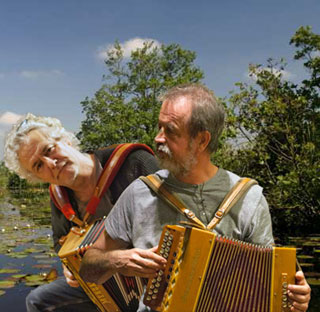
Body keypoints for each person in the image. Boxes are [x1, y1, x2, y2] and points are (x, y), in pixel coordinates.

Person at [79, 83, 311, 312]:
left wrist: (294, 300)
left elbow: (270, 288)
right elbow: (88, 268)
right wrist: (117, 260)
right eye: (159, 128)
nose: (158, 138)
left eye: (170, 130)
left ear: (202, 140)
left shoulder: (248, 197)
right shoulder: (140, 192)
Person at [4, 113, 159, 312]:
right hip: (106, 281)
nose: (51, 164)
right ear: (36, 177)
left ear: (65, 138)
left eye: (49, 150)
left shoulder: (133, 162)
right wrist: (70, 266)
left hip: (157, 272)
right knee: (38, 301)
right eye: (38, 165)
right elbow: (60, 241)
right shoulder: (59, 197)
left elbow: (181, 214)